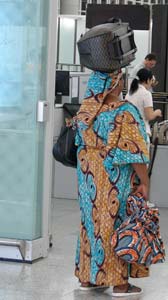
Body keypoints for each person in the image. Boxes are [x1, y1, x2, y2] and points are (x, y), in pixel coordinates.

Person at [74, 70, 150, 297]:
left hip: (88, 179)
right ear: (115, 83)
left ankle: (89, 278)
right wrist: (145, 182)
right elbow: (135, 153)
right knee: (114, 225)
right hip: (114, 180)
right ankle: (119, 284)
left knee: (91, 223)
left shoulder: (85, 113)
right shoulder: (123, 112)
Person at [125, 68, 162, 150]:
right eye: (151, 80)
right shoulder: (146, 94)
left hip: (128, 132)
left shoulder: (129, 93)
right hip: (142, 133)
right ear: (148, 80)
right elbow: (149, 116)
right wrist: (157, 112)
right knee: (142, 161)